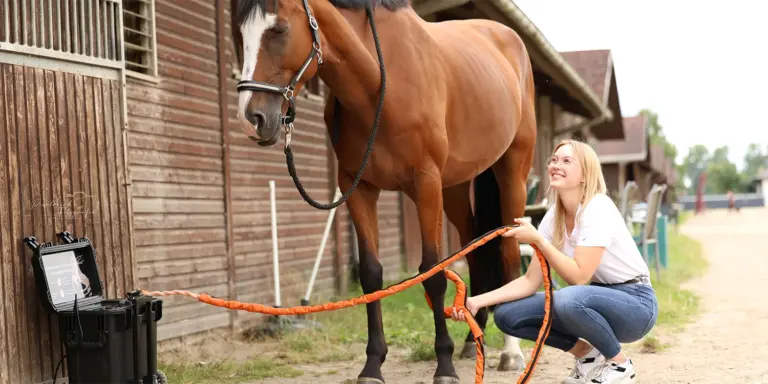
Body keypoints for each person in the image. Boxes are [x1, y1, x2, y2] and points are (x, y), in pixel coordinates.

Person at [452, 139, 658, 384]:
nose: (556, 165)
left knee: (567, 299)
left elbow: (579, 276)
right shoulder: (554, 216)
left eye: (567, 161)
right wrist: (476, 302)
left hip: (636, 305)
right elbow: (530, 281)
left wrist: (539, 241)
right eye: (554, 159)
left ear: (585, 174)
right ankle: (587, 356)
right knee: (508, 315)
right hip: (597, 299)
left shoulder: (597, 207)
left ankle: (620, 365)